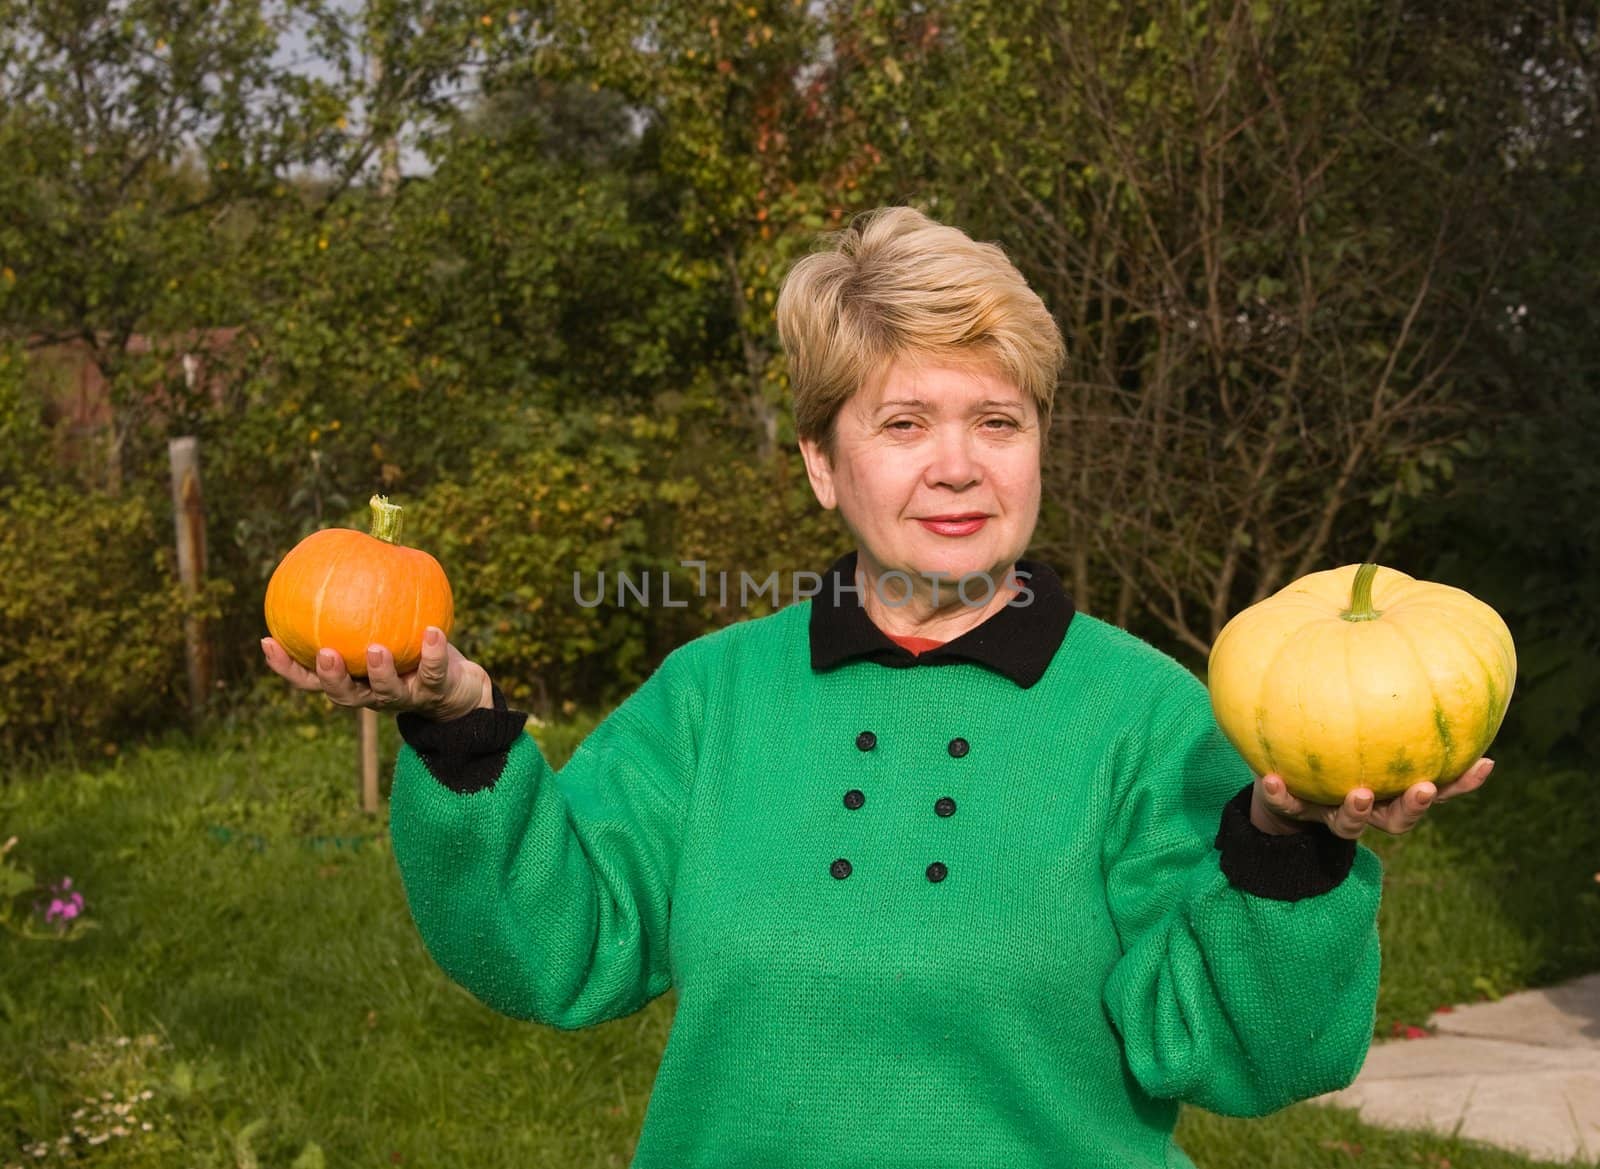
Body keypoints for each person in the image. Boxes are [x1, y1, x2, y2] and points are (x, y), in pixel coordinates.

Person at [261, 206, 1493, 1168]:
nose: (957, 467)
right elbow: (555, 944)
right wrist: (458, 723)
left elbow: (1245, 1049)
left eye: (996, 422)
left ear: (1039, 446)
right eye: (903, 422)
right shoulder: (711, 696)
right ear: (819, 463)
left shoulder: (1154, 717)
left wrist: (1290, 849)